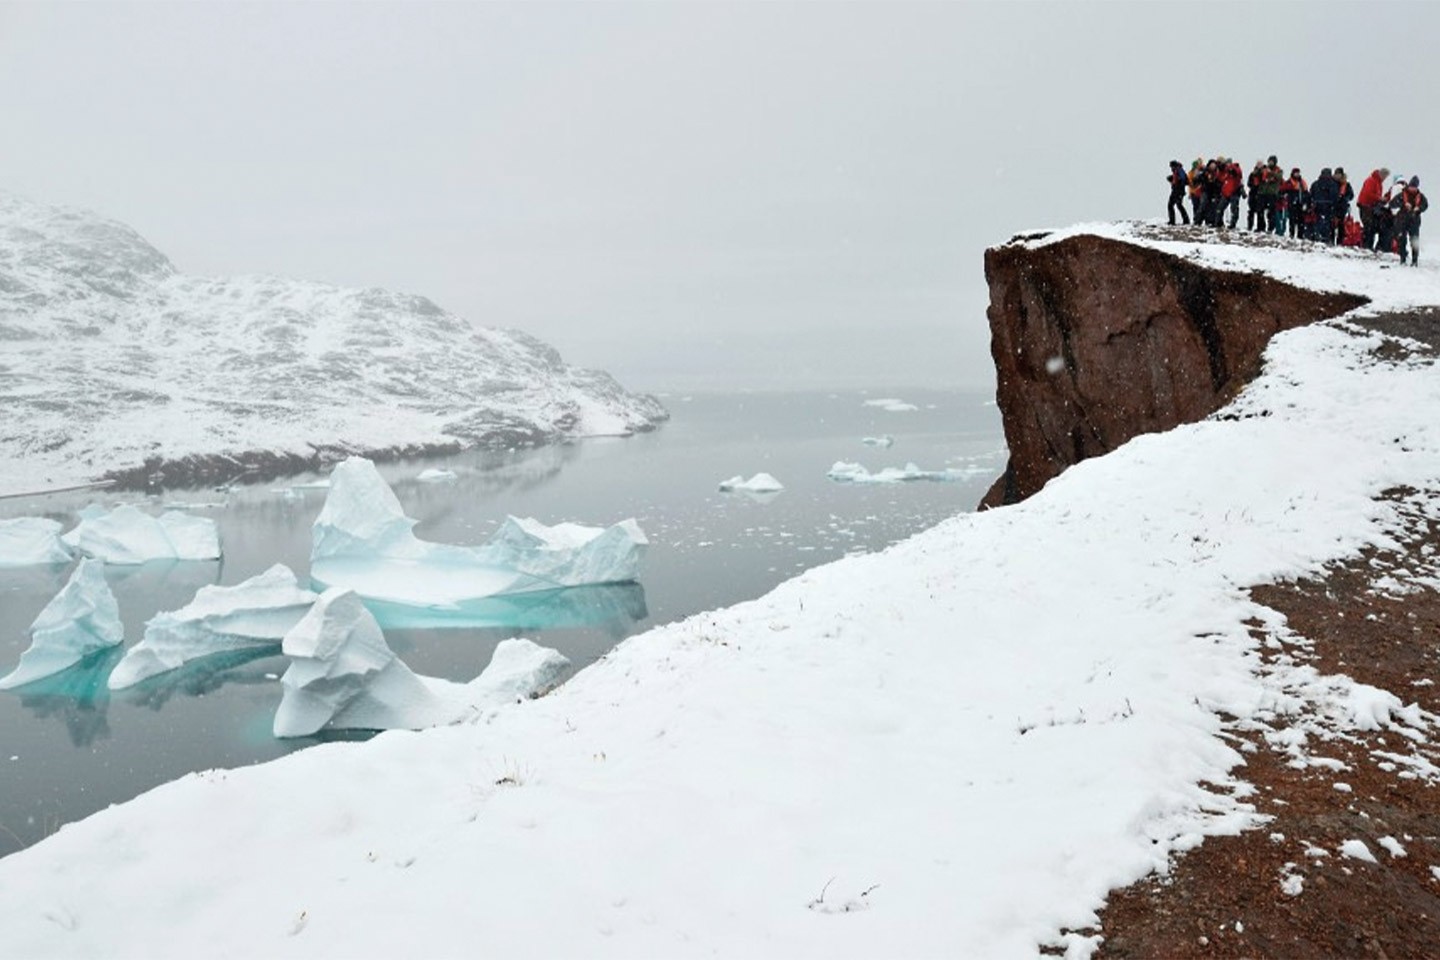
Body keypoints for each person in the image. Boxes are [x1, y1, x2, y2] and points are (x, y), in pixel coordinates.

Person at [1391, 176, 1428, 266]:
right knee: (1402, 240)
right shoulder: (1402, 195)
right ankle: (1402, 259)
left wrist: (1418, 208)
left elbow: (1425, 205)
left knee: (1414, 241)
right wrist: (1403, 204)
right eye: (1412, 186)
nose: (1413, 189)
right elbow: (1392, 203)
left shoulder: (1421, 196)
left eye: (1415, 187)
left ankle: (1415, 261)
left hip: (1414, 221)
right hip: (1402, 220)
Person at [1357, 167, 1391, 251]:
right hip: (1365, 207)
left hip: (1370, 207)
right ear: (1381, 174)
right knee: (1369, 227)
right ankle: (1366, 247)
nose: (1385, 178)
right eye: (1385, 176)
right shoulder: (1371, 181)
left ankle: (1368, 247)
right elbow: (1367, 193)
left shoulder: (1378, 183)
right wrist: (1379, 198)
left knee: (1371, 227)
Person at [1309, 167, 1340, 243]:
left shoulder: (1315, 184)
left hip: (1318, 207)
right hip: (1329, 207)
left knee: (1318, 223)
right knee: (1327, 225)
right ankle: (1326, 239)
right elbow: (1335, 197)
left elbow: (1311, 195)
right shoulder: (1333, 184)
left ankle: (1318, 237)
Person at [1277, 168, 1307, 239]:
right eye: (1296, 173)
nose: (1297, 174)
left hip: (1300, 204)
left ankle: (1300, 236)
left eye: (1298, 173)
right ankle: (1292, 235)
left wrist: (1305, 202)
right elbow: (1281, 191)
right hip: (1291, 204)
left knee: (1301, 221)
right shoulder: (1288, 183)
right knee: (1292, 221)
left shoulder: (1302, 183)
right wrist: (1283, 196)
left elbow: (1306, 193)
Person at [1258, 155, 1284, 231]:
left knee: (1271, 212)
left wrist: (1271, 173)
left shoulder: (1279, 170)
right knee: (1260, 211)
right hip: (1263, 193)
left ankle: (1270, 228)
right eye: (1269, 161)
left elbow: (1279, 177)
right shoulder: (1264, 169)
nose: (1270, 163)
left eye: (1272, 161)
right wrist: (1259, 169)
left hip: (1272, 194)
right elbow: (1257, 176)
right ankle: (1261, 227)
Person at [1221, 160, 1246, 229]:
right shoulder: (1227, 173)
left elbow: (1238, 174)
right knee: (1220, 208)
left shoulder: (1236, 170)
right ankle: (1219, 222)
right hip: (1226, 193)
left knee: (1234, 209)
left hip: (1234, 193)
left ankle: (1233, 224)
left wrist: (1232, 168)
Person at [1333, 168, 1355, 245]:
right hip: (1333, 207)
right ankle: (1331, 242)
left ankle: (1340, 242)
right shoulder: (1332, 183)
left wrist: (1345, 198)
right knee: (1332, 225)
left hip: (1342, 208)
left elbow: (1351, 195)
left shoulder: (1347, 185)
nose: (1337, 176)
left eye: (1339, 174)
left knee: (1341, 226)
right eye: (1336, 174)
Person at [1167, 160, 1190, 225]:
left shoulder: (1179, 170)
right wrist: (1172, 179)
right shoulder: (1177, 171)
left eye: (1171, 166)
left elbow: (1183, 179)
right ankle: (1176, 221)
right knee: (1176, 205)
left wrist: (1177, 182)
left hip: (1178, 191)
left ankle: (1175, 221)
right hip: (1176, 191)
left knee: (1175, 205)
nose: (1171, 168)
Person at [1246, 161, 1266, 231]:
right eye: (1258, 164)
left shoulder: (1265, 173)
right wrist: (1253, 185)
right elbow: (1249, 183)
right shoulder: (1252, 174)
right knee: (1251, 210)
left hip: (1261, 194)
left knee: (1260, 211)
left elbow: (1265, 183)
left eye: (1260, 165)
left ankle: (1261, 227)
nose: (1259, 166)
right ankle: (1249, 226)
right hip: (1253, 194)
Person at [1187, 158, 1206, 224]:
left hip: (1199, 192)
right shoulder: (1191, 173)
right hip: (1194, 192)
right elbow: (1190, 184)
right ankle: (1196, 220)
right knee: (1196, 206)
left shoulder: (1202, 171)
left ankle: (1198, 219)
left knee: (1199, 207)